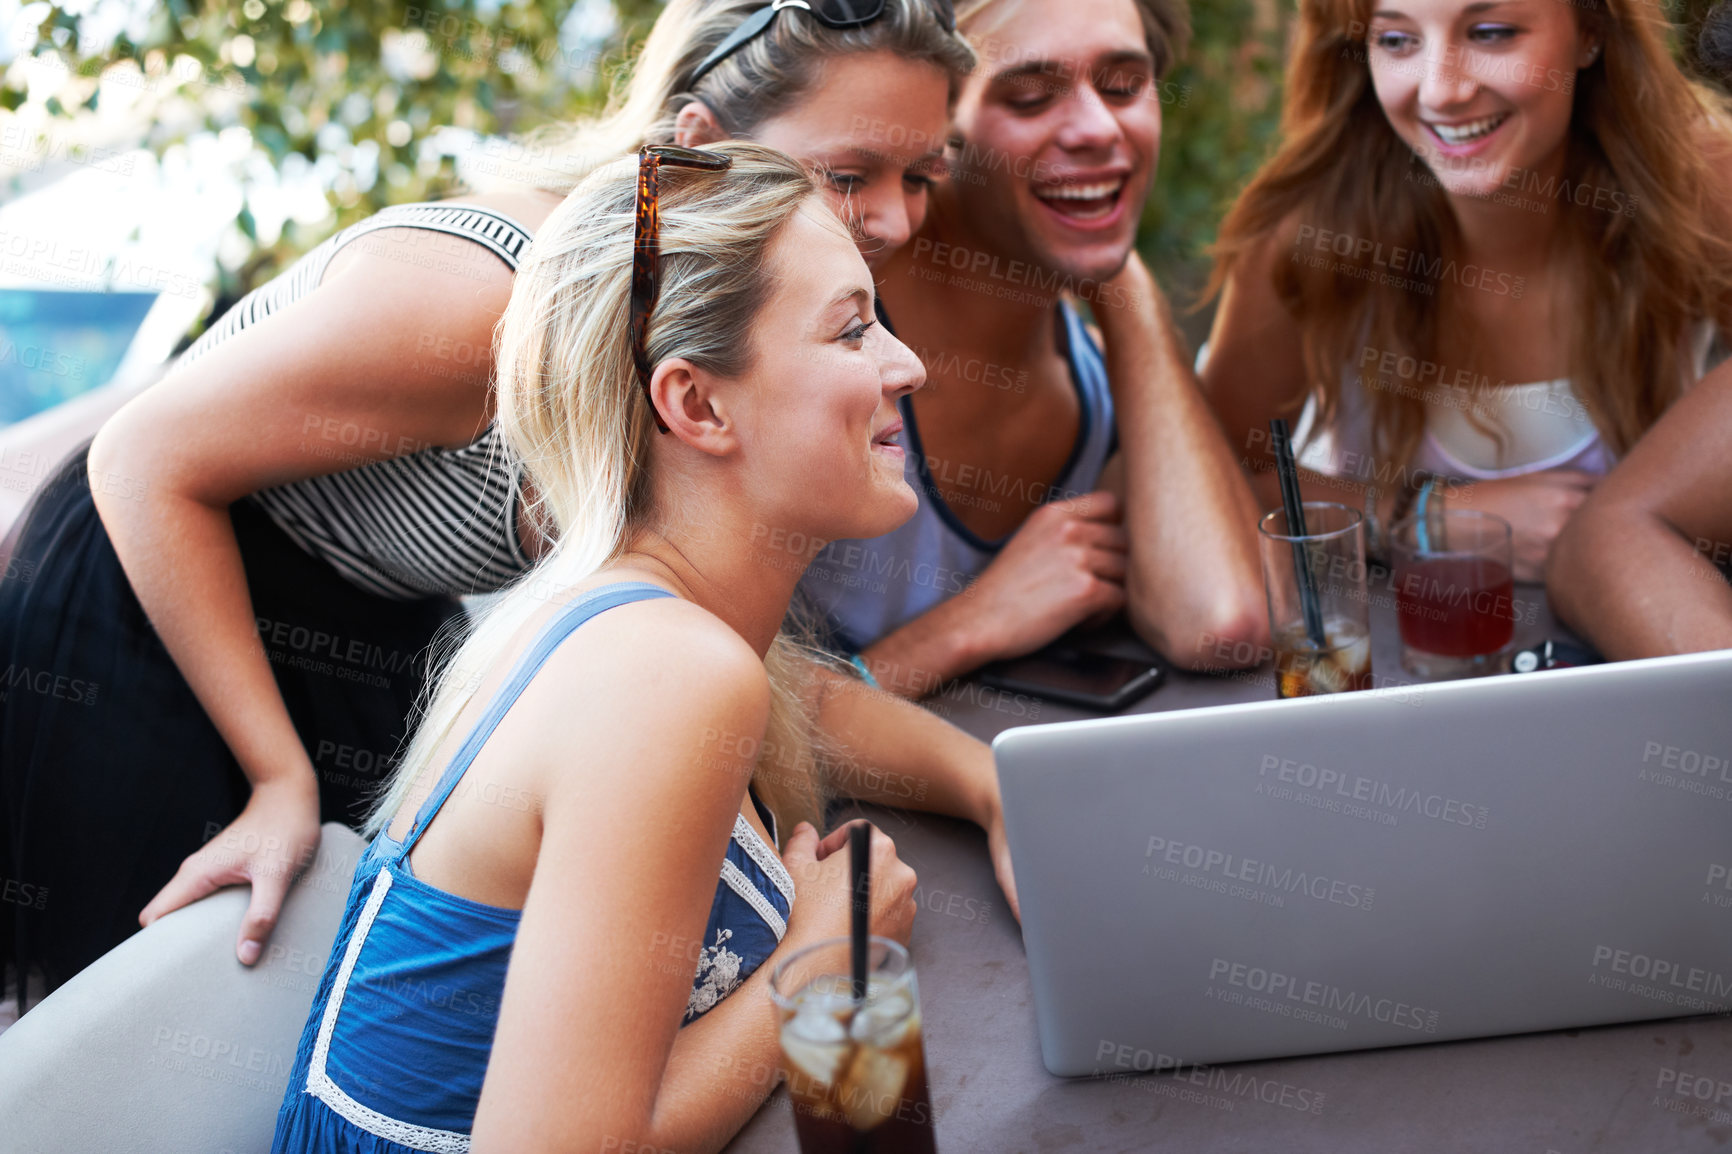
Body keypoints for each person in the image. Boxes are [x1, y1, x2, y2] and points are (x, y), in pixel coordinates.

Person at [0, 0, 979, 1001]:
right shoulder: (486, 307)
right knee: (157, 1004)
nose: (896, 220)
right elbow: (141, 455)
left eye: (920, 179)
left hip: (366, 624)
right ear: (698, 147)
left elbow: (746, 667)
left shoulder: (722, 335)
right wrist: (276, 776)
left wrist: (990, 789)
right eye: (849, 175)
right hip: (158, 589)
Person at [273, 141, 951, 1152]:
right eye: (852, 331)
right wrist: (816, 956)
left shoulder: (646, 624)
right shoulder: (665, 672)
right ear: (696, 402)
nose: (909, 364)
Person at [748, 0, 1268, 697]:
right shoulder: (824, 320)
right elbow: (702, 730)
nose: (1097, 128)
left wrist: (1126, 287)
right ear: (935, 124)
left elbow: (1222, 623)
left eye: (1123, 87)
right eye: (1029, 97)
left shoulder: (1103, 387)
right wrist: (970, 624)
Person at [1201, 0, 1732, 583]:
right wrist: (1420, 517)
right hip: (1410, 656)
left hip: (1632, 656)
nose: (1441, 91)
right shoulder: (1311, 233)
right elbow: (1207, 478)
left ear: (1591, 33)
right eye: (1398, 41)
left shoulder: (1694, 183)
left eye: (1491, 33)